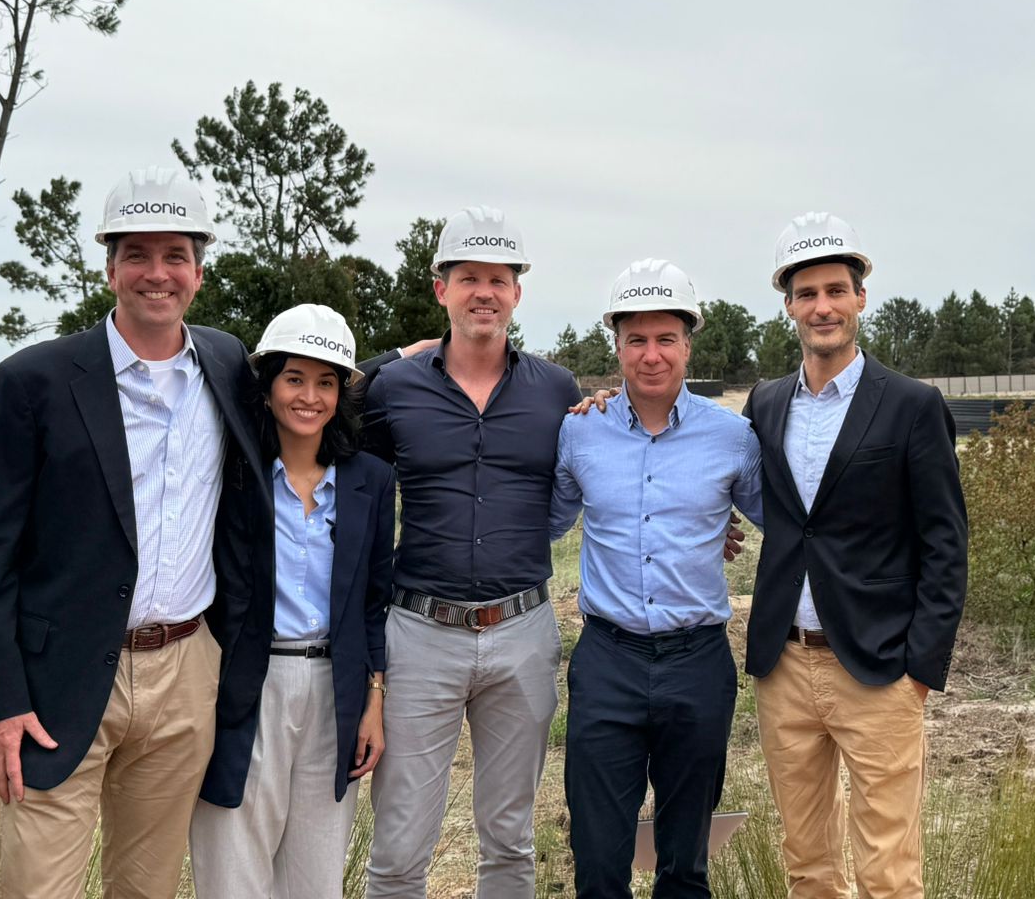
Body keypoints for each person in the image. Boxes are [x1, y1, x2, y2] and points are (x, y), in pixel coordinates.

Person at [0, 166, 267, 899]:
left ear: (198, 271)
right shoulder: (34, 380)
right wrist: (0, 701)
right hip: (57, 679)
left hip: (185, 670)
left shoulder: (227, 363)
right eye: (137, 255)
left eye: (174, 256)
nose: (156, 274)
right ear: (110, 268)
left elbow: (310, 397)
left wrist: (414, 357)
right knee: (36, 886)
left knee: (146, 886)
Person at [743, 212, 968, 899]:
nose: (823, 307)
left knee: (888, 873)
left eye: (836, 291)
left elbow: (946, 543)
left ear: (861, 297)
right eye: (807, 294)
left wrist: (920, 670)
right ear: (788, 305)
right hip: (785, 665)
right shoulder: (765, 404)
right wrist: (607, 404)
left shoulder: (911, 406)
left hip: (878, 670)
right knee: (807, 867)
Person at [362, 206, 582, 899]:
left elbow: (610, 464)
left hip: (523, 630)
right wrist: (392, 356)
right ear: (441, 289)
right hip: (419, 632)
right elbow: (313, 404)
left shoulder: (557, 390)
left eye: (497, 279)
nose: (484, 292)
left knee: (511, 841)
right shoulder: (394, 388)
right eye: (468, 278)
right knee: (399, 846)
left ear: (517, 291)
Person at [552, 259, 763, 899]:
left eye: (666, 338)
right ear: (615, 345)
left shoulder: (734, 437)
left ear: (688, 344)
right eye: (636, 339)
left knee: (685, 863)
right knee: (598, 861)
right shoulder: (579, 430)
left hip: (697, 663)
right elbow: (543, 522)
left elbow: (792, 526)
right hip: (607, 661)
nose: (651, 355)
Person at [188, 304, 396, 898]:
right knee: (233, 865)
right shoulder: (230, 474)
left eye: (326, 382)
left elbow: (374, 599)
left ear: (341, 395)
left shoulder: (370, 480)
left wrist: (374, 698)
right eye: (294, 378)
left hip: (336, 688)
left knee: (315, 875)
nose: (309, 397)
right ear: (268, 386)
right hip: (246, 684)